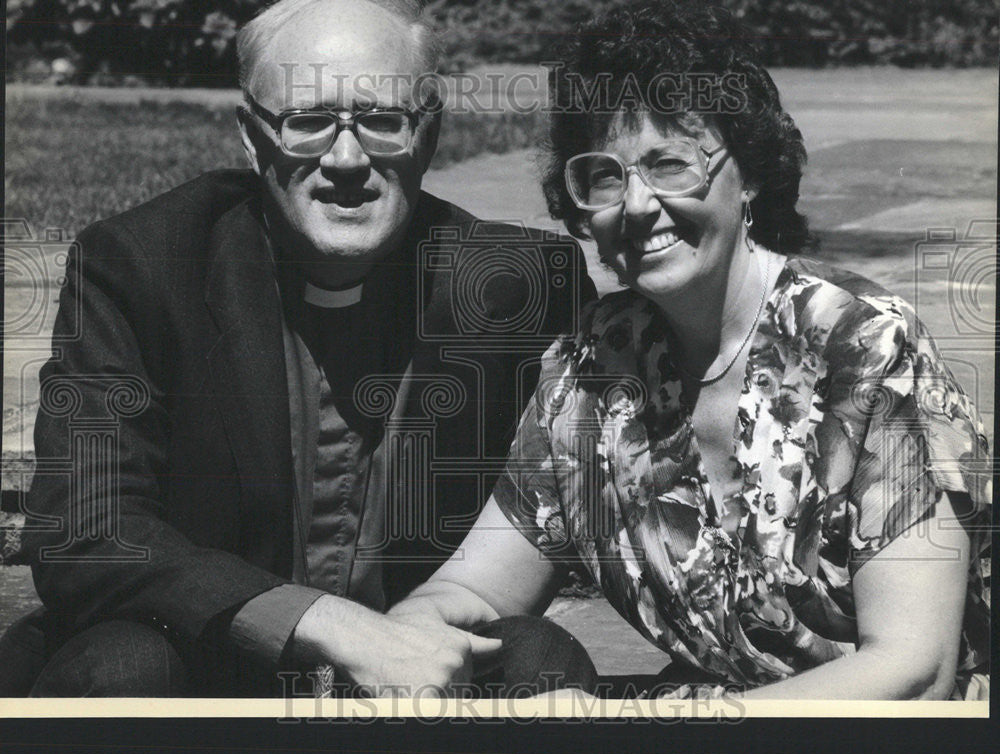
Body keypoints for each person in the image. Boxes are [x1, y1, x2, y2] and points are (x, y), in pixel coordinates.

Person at [390, 0, 991, 699]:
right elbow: (475, 584)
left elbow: (915, 670)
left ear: (752, 176)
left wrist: (645, 732)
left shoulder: (868, 352)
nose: (637, 204)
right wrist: (405, 633)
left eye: (670, 163)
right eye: (605, 175)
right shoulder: (588, 374)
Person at [2, 0, 597, 697]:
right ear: (253, 138)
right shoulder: (139, 264)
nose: (347, 159)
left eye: (382, 121)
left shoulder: (520, 286)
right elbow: (83, 524)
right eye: (308, 122)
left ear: (428, 133)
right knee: (119, 668)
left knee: (541, 661)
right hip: (202, 650)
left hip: (421, 666)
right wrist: (330, 625)